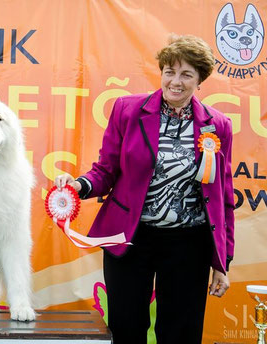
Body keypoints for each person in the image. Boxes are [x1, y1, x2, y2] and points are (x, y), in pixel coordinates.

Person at [55, 34, 234, 343]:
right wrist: (79, 186)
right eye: (169, 71)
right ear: (161, 72)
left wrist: (222, 261)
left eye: (186, 74)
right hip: (131, 237)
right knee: (126, 329)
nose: (175, 81)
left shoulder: (218, 125)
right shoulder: (127, 110)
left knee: (180, 334)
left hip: (188, 244)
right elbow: (106, 170)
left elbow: (223, 197)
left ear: (199, 80)